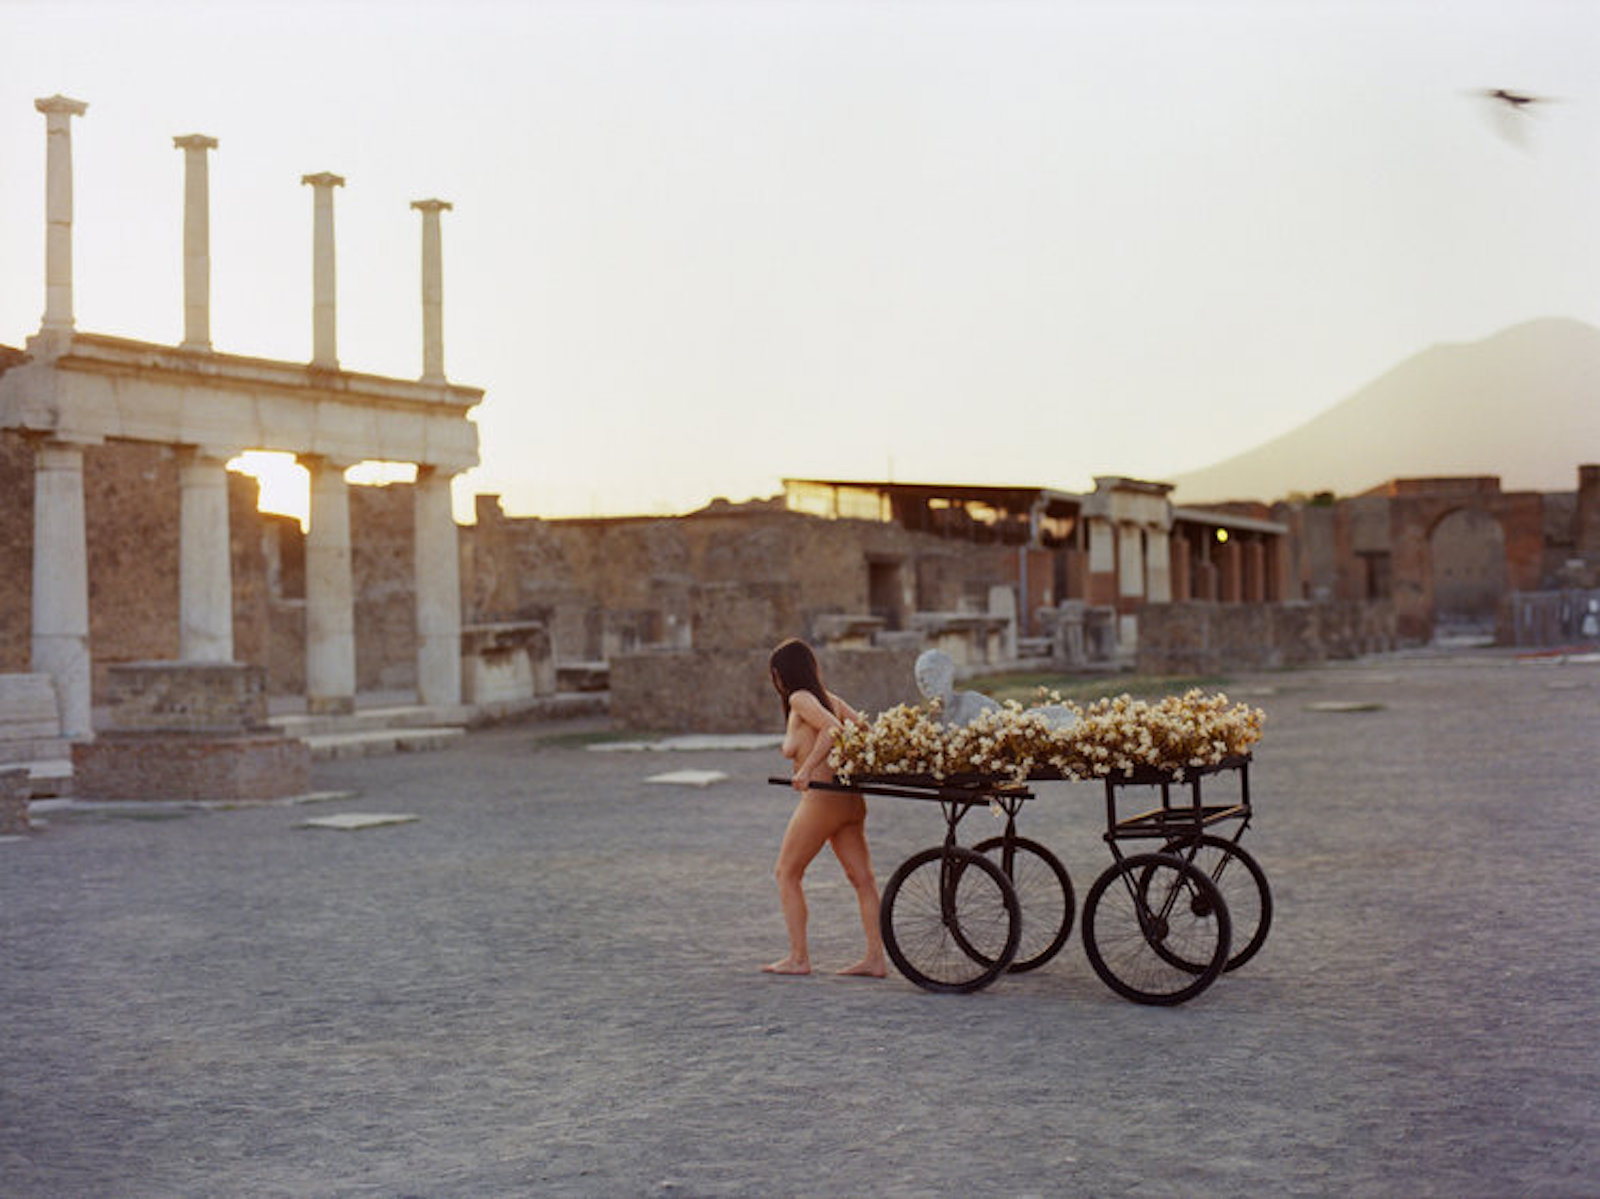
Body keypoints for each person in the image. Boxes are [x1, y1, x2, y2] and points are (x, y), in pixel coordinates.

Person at [764, 638, 887, 978]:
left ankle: (798, 958)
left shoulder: (800, 699)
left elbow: (833, 728)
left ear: (780, 674)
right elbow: (864, 731)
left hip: (822, 802)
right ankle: (875, 959)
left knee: (786, 873)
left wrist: (806, 769)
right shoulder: (831, 699)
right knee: (863, 880)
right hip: (850, 802)